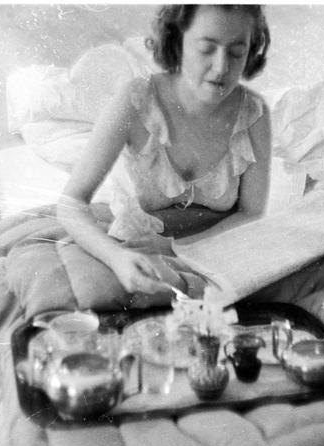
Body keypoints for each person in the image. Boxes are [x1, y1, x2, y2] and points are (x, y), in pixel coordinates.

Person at [58, 4, 273, 301]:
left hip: (218, 252)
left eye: (237, 52)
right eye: (206, 49)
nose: (222, 67)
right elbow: (70, 203)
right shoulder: (135, 99)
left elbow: (251, 213)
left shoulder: (254, 114)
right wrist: (117, 258)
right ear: (177, 41)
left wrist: (177, 249)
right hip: (139, 253)